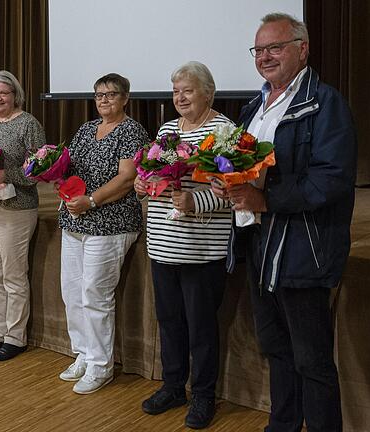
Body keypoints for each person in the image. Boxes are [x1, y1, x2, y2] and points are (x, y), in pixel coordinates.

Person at [212, 13, 357, 432]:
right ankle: (283, 425)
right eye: (258, 50)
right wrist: (230, 184)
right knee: (276, 347)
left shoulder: (326, 102)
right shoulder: (255, 106)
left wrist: (266, 198)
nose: (264, 57)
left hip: (303, 249)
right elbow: (244, 166)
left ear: (302, 48)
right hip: (259, 244)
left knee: (312, 359)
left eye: (275, 47)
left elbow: (332, 179)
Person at [134, 62, 233, 429]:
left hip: (201, 249)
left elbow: (233, 191)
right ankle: (174, 386)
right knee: (170, 322)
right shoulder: (167, 129)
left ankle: (204, 395)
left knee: (201, 328)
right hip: (162, 245)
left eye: (187, 90)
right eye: (176, 90)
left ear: (208, 91)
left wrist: (196, 202)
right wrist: (142, 185)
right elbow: (152, 171)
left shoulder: (223, 131)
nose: (180, 97)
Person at [57, 73, 148, 394]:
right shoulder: (85, 129)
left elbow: (127, 179)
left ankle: (100, 365)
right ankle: (82, 353)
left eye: (111, 94)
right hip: (74, 221)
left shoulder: (132, 131)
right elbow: (69, 168)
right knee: (71, 292)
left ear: (125, 98)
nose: (104, 100)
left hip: (110, 222)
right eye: (99, 95)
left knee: (95, 294)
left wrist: (91, 200)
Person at [0, 70, 46, 361]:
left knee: (14, 276)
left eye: (3, 93)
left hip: (17, 208)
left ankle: (16, 338)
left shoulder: (28, 124)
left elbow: (40, 167)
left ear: (15, 95)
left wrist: (8, 174)